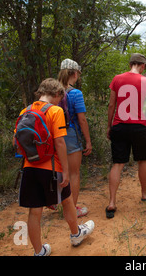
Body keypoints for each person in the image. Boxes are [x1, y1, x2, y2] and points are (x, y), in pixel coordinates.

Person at [14, 78, 94, 256]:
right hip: (51, 167)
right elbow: (59, 143)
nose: (60, 101)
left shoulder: (25, 111)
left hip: (29, 167)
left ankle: (39, 251)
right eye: (60, 97)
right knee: (67, 200)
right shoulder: (55, 111)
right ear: (57, 94)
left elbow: (17, 142)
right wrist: (65, 171)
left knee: (34, 212)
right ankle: (76, 234)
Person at [106, 54, 146, 219]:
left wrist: (109, 126)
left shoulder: (117, 79)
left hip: (119, 126)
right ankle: (144, 193)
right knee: (142, 160)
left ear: (130, 64)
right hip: (139, 127)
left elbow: (112, 104)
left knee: (118, 164)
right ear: (143, 66)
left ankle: (112, 202)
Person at [57, 59, 92, 218]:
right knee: (73, 173)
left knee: (58, 170)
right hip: (70, 135)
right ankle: (72, 209)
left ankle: (55, 201)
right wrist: (88, 140)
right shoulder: (75, 93)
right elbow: (82, 119)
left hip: (53, 135)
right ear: (73, 73)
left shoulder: (52, 91)